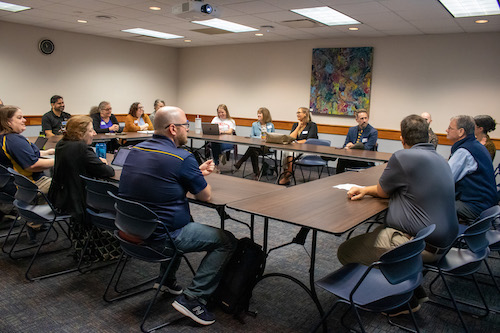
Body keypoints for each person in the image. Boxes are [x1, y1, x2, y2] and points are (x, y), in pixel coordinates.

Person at [119, 106, 236, 326]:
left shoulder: (136, 150)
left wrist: (193, 172)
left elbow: (162, 177)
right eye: (186, 126)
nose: (188, 130)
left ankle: (166, 281)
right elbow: (205, 196)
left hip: (128, 230)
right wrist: (193, 171)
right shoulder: (182, 157)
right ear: (173, 129)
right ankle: (193, 298)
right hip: (161, 239)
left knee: (187, 221)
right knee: (227, 241)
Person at [338, 115, 459, 314]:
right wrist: (367, 190)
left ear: (402, 138)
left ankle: (403, 301)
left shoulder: (404, 156)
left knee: (346, 250)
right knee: (379, 231)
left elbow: (384, 191)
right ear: (428, 135)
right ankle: (412, 288)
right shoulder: (441, 159)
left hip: (420, 245)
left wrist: (365, 190)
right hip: (443, 242)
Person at [48, 115, 116, 259]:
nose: (94, 133)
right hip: (79, 202)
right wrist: (101, 162)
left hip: (62, 198)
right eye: (91, 131)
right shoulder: (81, 148)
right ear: (81, 133)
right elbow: (108, 172)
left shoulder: (61, 145)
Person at [446, 115, 497, 223]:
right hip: (486, 204)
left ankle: (438, 238)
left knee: (437, 205)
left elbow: (445, 180)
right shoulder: (476, 146)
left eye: (450, 128)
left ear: (461, 132)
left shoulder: (464, 151)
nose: (447, 130)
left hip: (475, 206)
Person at [0, 105, 54, 194]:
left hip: (15, 185)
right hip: (31, 186)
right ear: (8, 122)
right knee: (69, 184)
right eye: (19, 118)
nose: (24, 120)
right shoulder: (14, 141)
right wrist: (58, 159)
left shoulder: (5, 139)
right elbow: (33, 165)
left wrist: (47, 152)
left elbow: (23, 155)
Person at [278, 107, 318, 185]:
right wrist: (298, 127)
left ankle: (288, 174)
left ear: (305, 114)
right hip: (295, 150)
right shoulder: (296, 125)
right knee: (285, 150)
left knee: (289, 151)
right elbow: (291, 138)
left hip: (307, 150)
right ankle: (288, 173)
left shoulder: (312, 125)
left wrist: (296, 142)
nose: (297, 114)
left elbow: (310, 140)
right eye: (297, 112)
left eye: (299, 112)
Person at [233, 107, 275, 179]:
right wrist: (261, 137)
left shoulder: (270, 125)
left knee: (252, 149)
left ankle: (241, 162)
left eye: (260, 114)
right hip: (257, 146)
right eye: (258, 114)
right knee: (254, 150)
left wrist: (260, 137)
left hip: (266, 148)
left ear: (265, 115)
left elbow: (273, 137)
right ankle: (257, 172)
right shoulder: (254, 124)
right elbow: (252, 136)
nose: (258, 115)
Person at [335, 110, 378, 174]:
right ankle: (338, 180)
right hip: (351, 156)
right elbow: (345, 145)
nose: (364, 121)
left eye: (366, 118)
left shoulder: (373, 132)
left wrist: (352, 146)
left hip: (364, 159)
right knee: (341, 159)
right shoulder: (352, 130)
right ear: (357, 120)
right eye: (362, 118)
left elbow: (367, 148)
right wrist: (347, 146)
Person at [210, 104, 236, 172]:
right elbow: (211, 128)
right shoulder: (215, 119)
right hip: (216, 140)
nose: (220, 114)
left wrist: (221, 132)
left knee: (215, 145)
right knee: (214, 143)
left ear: (226, 112)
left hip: (227, 141)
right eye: (219, 112)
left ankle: (216, 163)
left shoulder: (231, 121)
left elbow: (230, 131)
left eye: (222, 112)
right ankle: (218, 160)